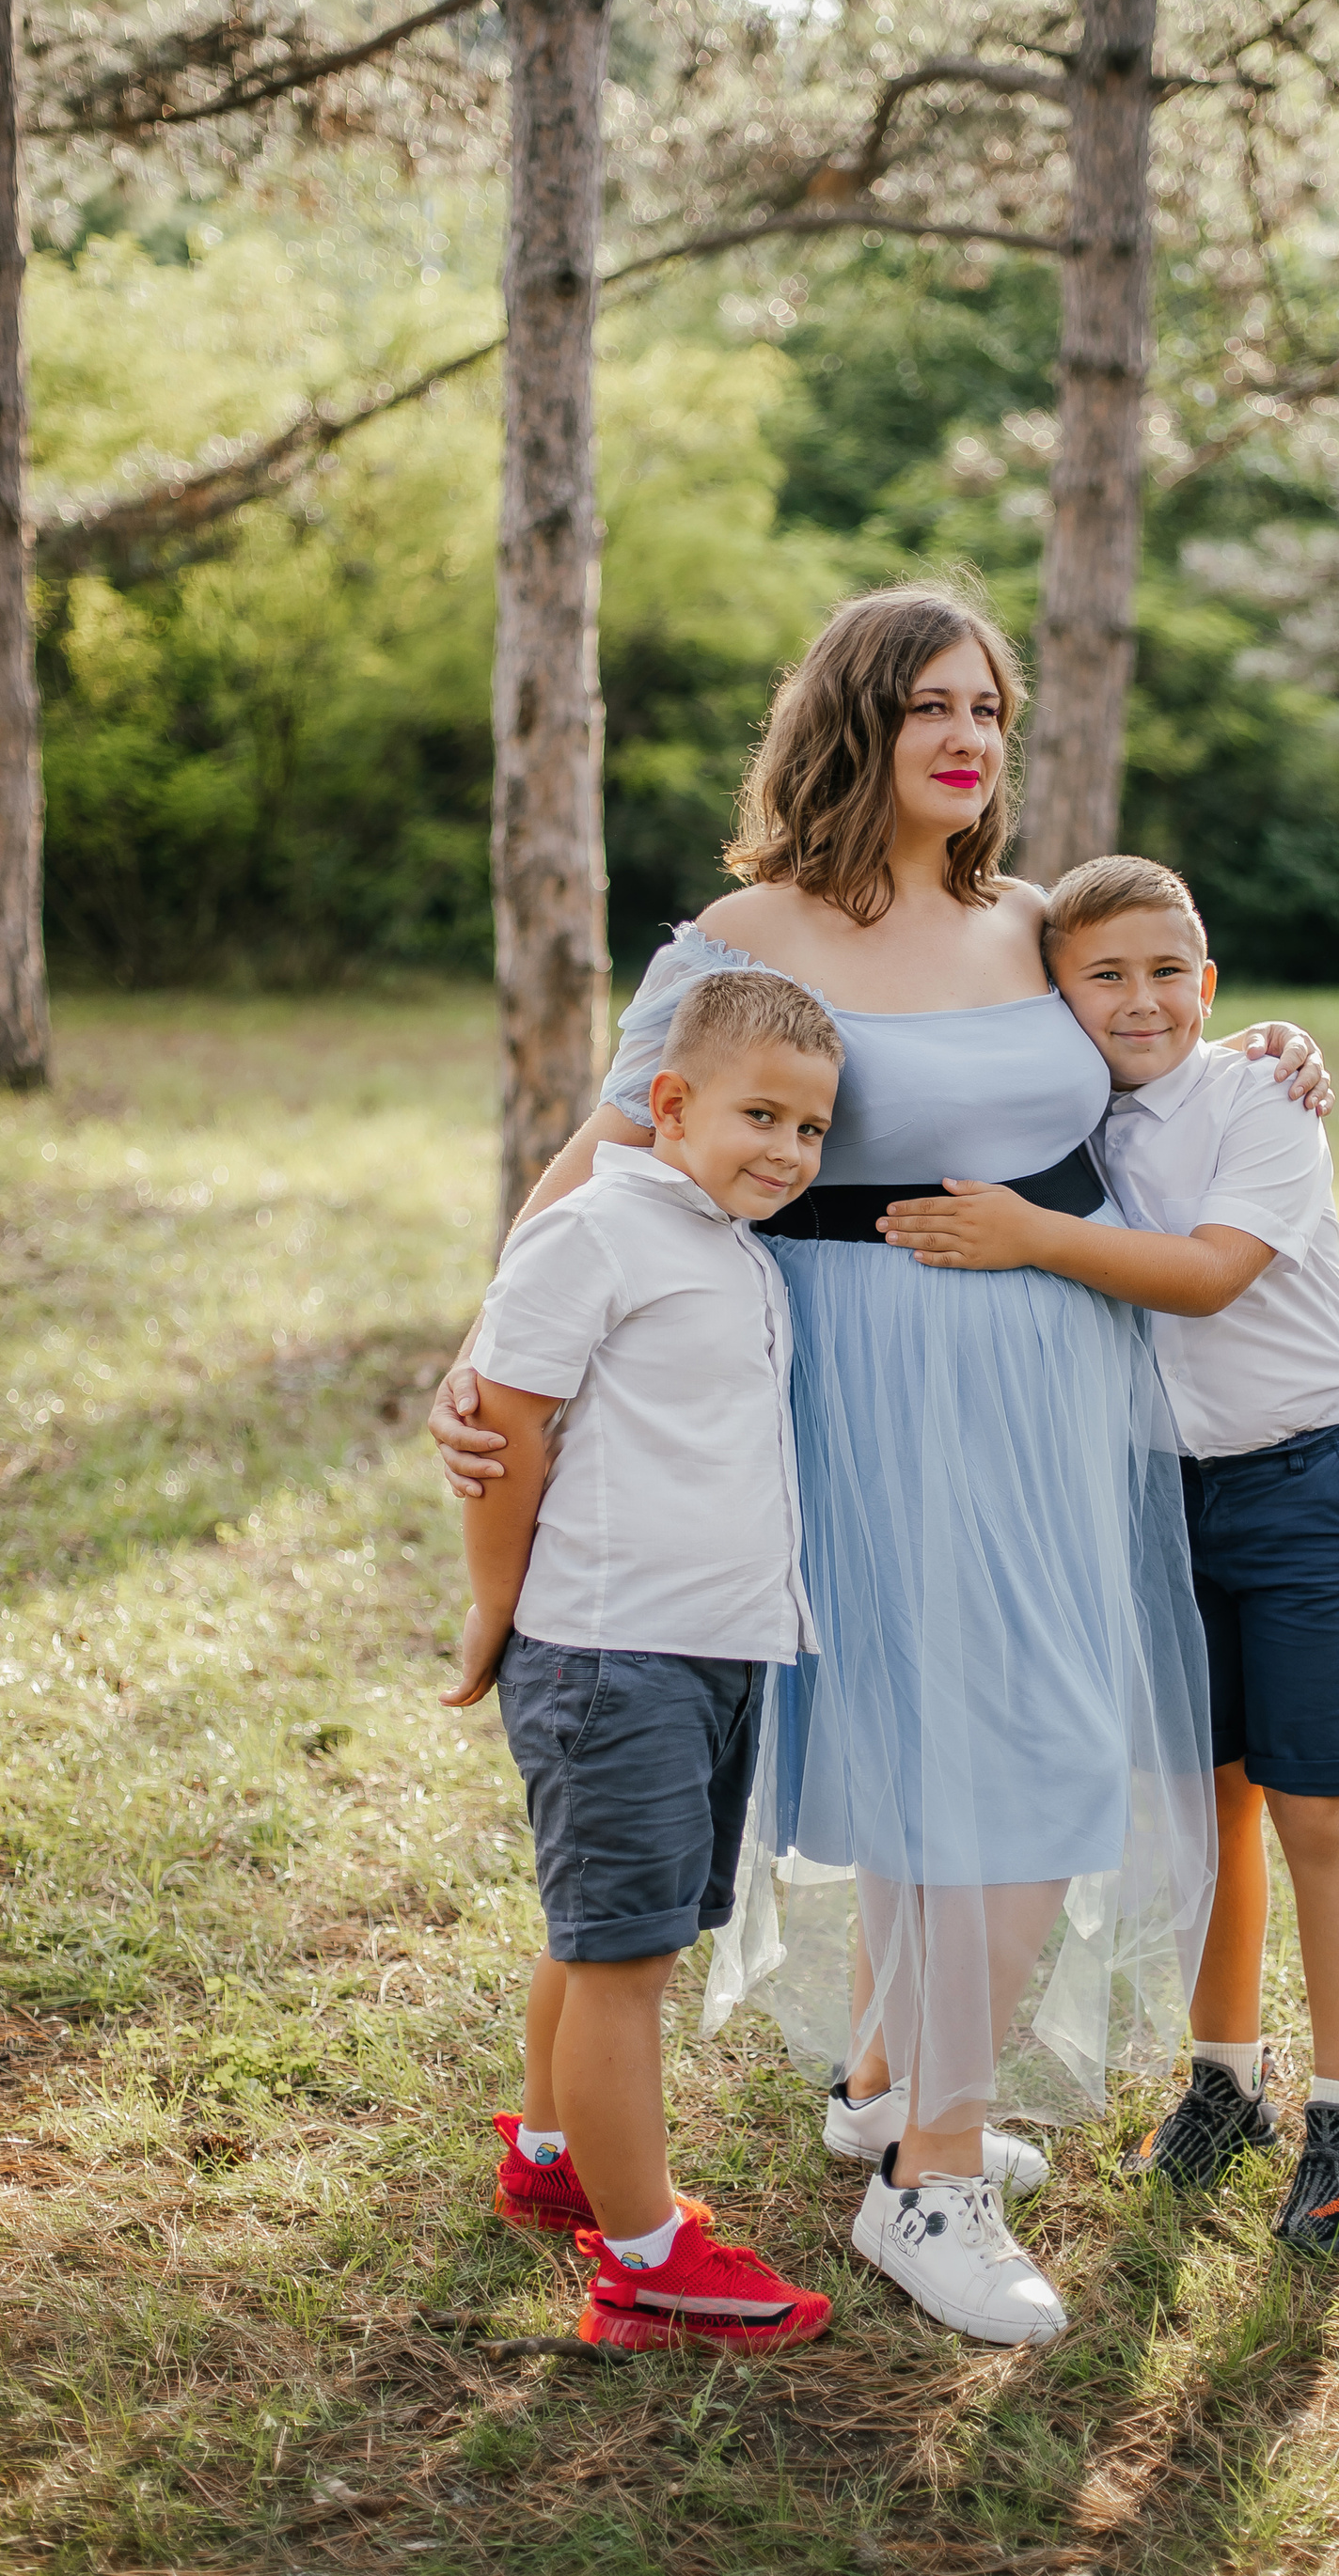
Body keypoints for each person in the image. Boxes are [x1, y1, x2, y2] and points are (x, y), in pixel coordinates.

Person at [433, 582, 1331, 2346]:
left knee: (1028, 1741)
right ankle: (933, 2176)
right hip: (840, 1390)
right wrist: (485, 1353)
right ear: (854, 719)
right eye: (931, 703)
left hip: (1047, 1393)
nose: (968, 735)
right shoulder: (743, 937)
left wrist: (1263, 1052)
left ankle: (893, 2092)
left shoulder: (1034, 921)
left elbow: (1152, 1033)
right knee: (953, 1752)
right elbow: (613, 1148)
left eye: (989, 706)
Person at [874, 853, 1339, 2258]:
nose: (1142, 1000)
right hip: (1152, 1496)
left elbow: (1213, 1273)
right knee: (1203, 1800)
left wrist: (1030, 1237)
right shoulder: (1061, 1120)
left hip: (1307, 1479)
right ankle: (1225, 2079)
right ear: (1055, 998)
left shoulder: (1260, 1098)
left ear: (1210, 984)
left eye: (1170, 972)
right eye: (1103, 975)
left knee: (1322, 1804)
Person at [443, 967, 843, 2354]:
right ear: (667, 1104)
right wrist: (495, 1607)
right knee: (625, 1963)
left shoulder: (724, 1242)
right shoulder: (595, 1232)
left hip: (707, 1650)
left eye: (811, 1128)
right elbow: (502, 1429)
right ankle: (648, 2264)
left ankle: (554, 2154)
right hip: (615, 1654)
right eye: (759, 1116)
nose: (788, 1151)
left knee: (613, 1936)